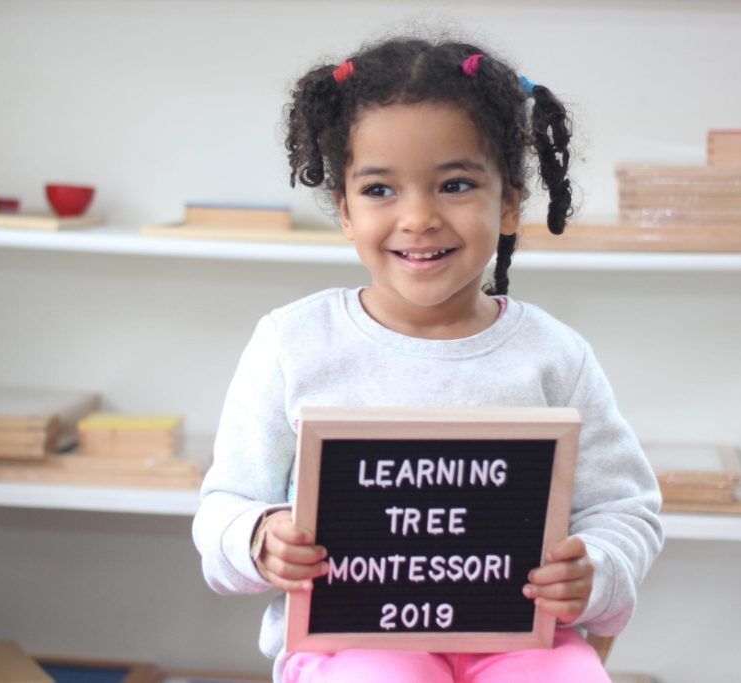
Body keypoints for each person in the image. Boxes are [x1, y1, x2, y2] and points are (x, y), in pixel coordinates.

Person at [192, 35, 663, 683]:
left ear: (508, 204)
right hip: (350, 640)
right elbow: (224, 502)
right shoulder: (291, 343)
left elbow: (624, 505)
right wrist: (257, 537)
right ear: (345, 212)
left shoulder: (554, 355)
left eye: (456, 184)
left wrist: (598, 566)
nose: (418, 217)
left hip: (523, 638)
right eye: (380, 188)